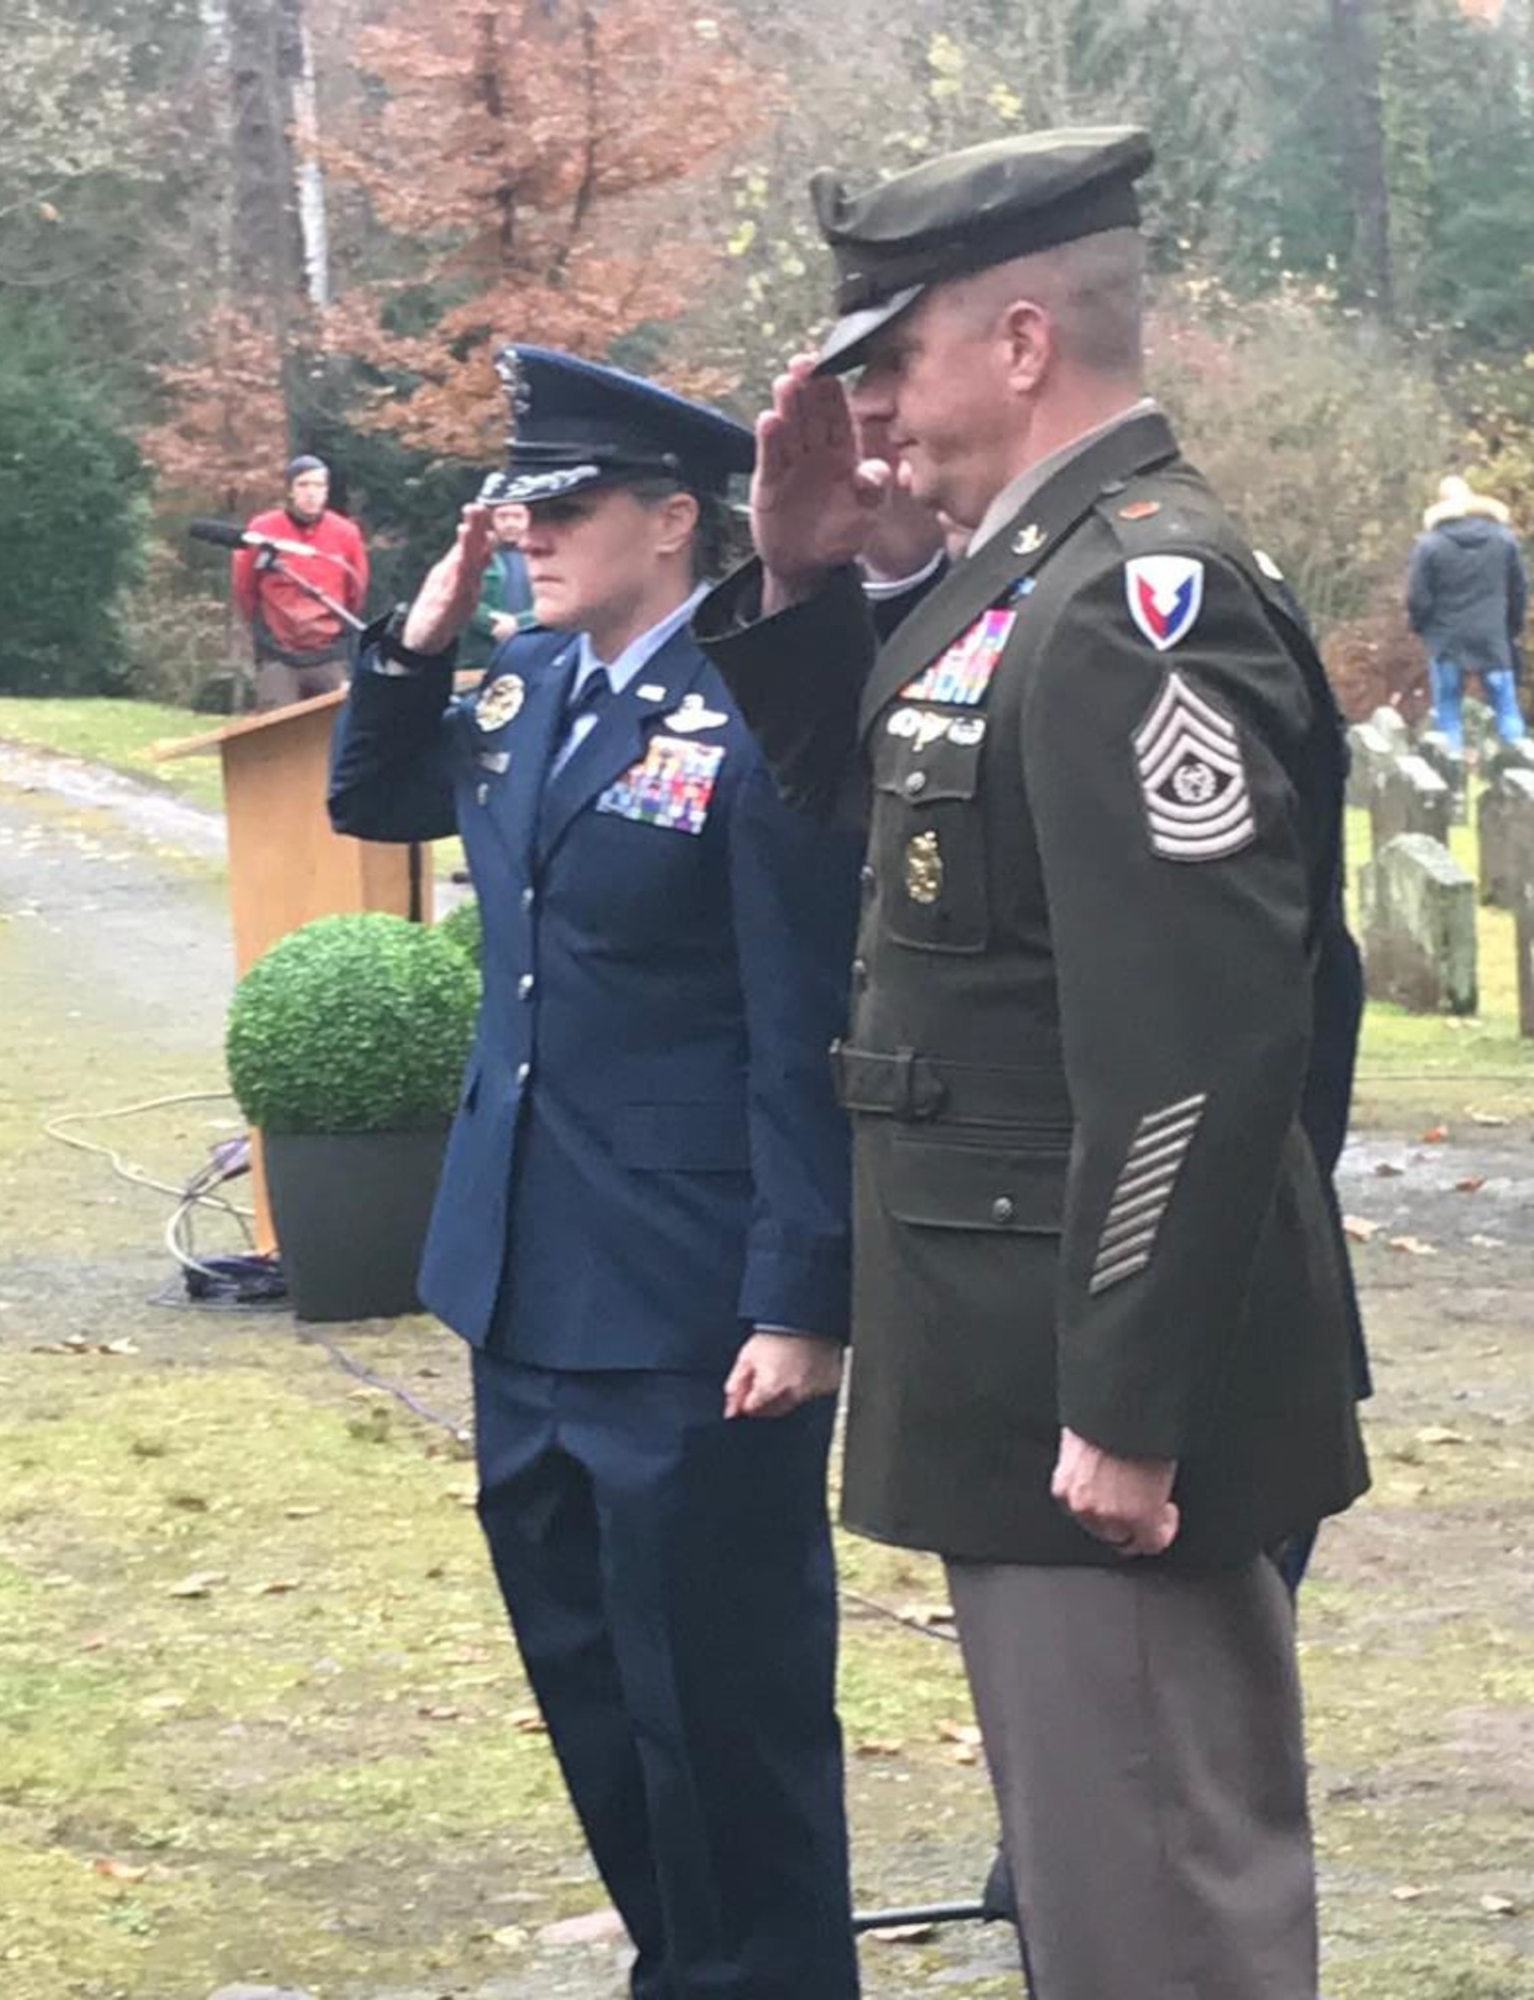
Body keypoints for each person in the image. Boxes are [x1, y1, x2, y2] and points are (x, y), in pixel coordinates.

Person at [694, 129, 1370, 2000]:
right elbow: (894, 830)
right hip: (1022, 1360)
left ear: (1015, 340)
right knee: (1102, 1903)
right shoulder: (1026, 583)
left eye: (885, 363)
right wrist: (801, 574)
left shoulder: (1141, 601)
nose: (867, 414)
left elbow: (1201, 1044)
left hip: (1095, 1381)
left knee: (1163, 1913)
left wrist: (1132, 1403)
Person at [329, 347, 863, 2000]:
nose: (530, 539)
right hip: (528, 1278)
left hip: (695, 1298)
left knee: (724, 1695)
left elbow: (798, 1022)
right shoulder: (526, 687)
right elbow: (374, 792)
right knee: (586, 1674)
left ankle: (766, 1977)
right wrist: (418, 636)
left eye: (563, 511)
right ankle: (679, 1962)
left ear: (672, 520)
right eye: (519, 509)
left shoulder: (747, 706)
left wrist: (802, 1291)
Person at [230, 454, 370, 708]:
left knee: (338, 724)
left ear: (327, 492)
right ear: (290, 491)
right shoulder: (263, 529)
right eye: (303, 485)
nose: (311, 493)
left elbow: (356, 591)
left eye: (318, 486)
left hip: (329, 652)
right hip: (279, 653)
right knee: (280, 731)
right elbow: (245, 588)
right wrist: (267, 634)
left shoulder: (346, 533)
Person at [1407, 472, 1528, 752]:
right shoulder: (1504, 541)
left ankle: (1452, 773)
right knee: (1507, 708)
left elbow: (1418, 597)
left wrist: (1422, 628)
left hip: (1447, 640)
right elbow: (1519, 590)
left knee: (1448, 711)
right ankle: (1524, 769)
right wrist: (1510, 629)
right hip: (1493, 638)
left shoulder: (1430, 545)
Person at [460, 499, 537, 667]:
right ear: (491, 520)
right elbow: (461, 597)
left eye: (517, 517)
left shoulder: (546, 556)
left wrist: (519, 623)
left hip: (539, 648)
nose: (510, 523)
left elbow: (562, 601)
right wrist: (494, 622)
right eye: (502, 517)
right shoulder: (474, 555)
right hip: (483, 654)